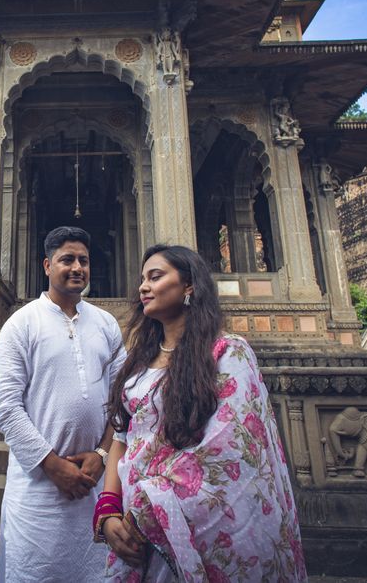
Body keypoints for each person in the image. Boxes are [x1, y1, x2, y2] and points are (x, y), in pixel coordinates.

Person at [95, 245, 306, 582]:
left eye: (156, 276)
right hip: (132, 525)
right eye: (142, 279)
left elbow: (230, 448)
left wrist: (148, 509)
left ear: (189, 286)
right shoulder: (138, 361)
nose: (143, 287)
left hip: (190, 523)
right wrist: (107, 510)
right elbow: (124, 435)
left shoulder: (226, 353)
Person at [0, 226, 126, 583]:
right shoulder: (21, 324)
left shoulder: (106, 324)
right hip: (38, 489)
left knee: (98, 570)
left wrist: (101, 454)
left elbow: (122, 397)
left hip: (95, 479)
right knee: (36, 571)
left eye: (83, 260)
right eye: (67, 259)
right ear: (47, 265)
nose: (77, 267)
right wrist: (51, 464)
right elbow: (5, 405)